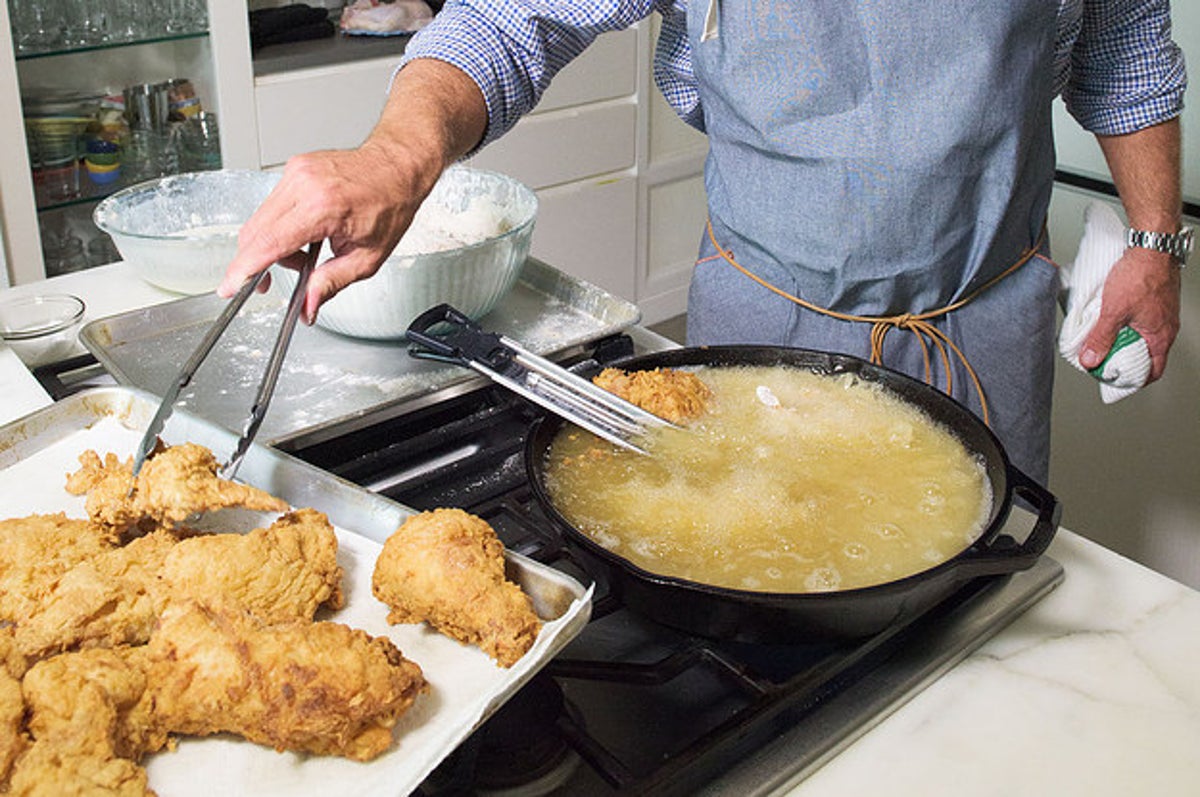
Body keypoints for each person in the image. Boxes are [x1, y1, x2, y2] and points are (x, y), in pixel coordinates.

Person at [220, 0, 1188, 485]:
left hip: (984, 318)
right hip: (768, 303)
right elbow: (513, 20)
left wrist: (1154, 238)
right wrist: (396, 153)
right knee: (754, 558)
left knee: (978, 596)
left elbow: (1126, 44)